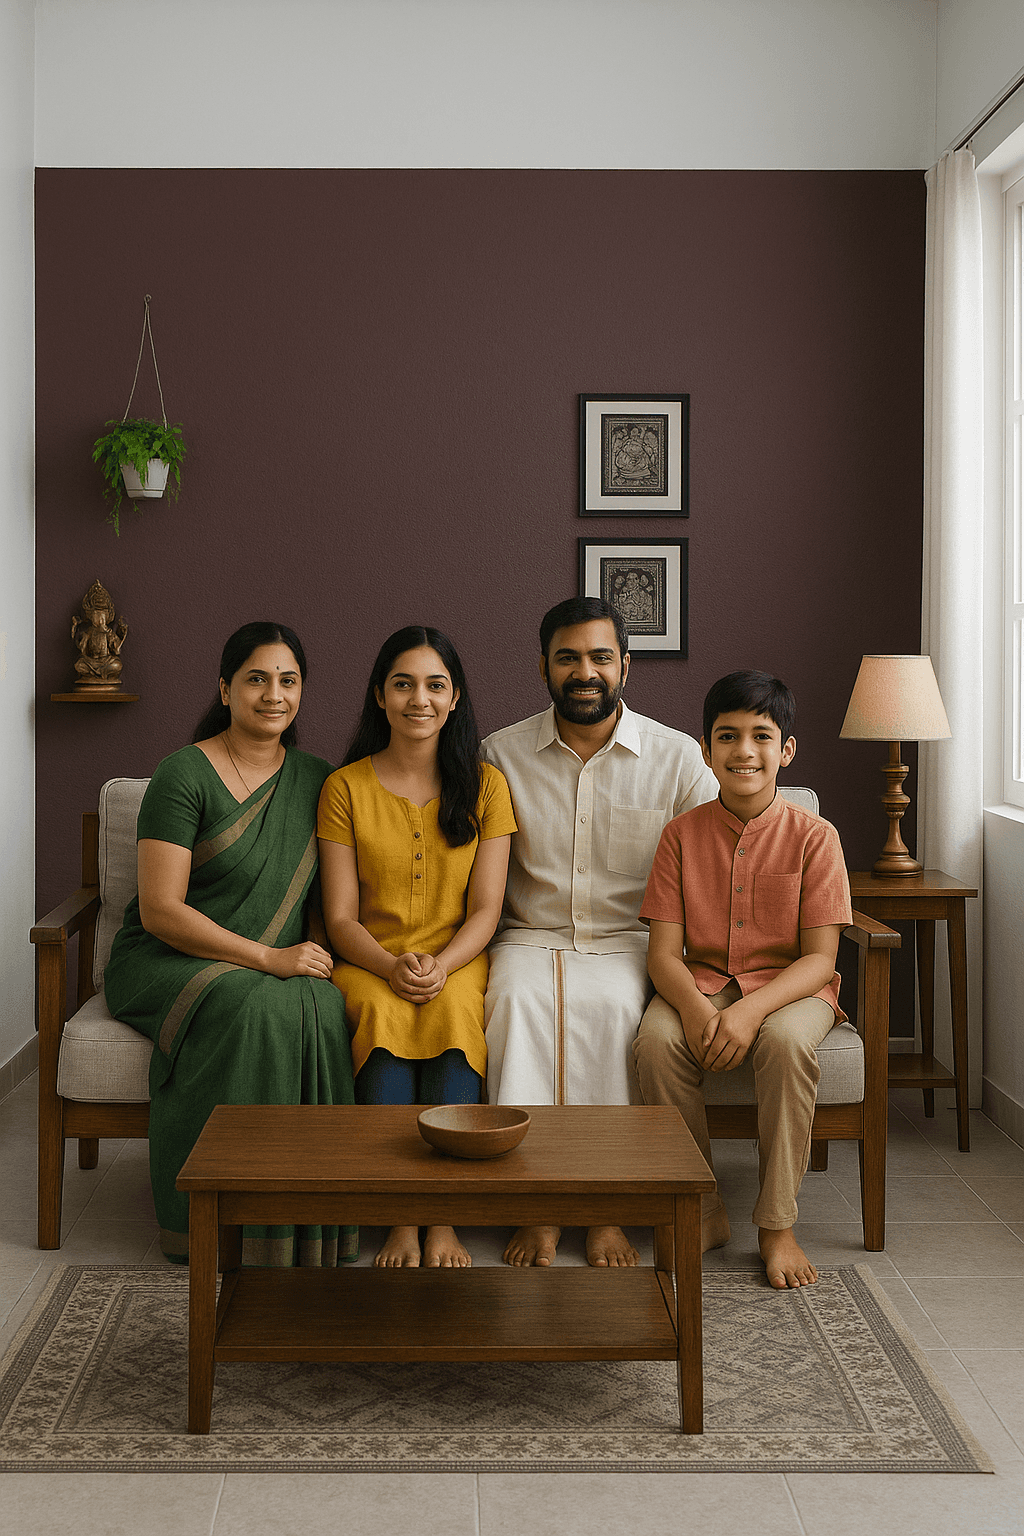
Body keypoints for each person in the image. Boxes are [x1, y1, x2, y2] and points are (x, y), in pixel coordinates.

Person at [104, 622, 357, 1266]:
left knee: (320, 1005)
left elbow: (321, 897)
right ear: (224, 688)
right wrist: (270, 958)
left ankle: (303, 1219)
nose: (273, 694)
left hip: (277, 957)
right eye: (256, 678)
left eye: (288, 680)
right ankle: (215, 1221)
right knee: (256, 1003)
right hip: (169, 957)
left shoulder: (318, 781)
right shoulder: (182, 773)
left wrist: (315, 956)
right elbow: (161, 910)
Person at [481, 597, 718, 1268]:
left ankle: (606, 1205)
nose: (585, 671)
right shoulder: (499, 753)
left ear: (626, 666)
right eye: (568, 658)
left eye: (600, 657)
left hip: (629, 940)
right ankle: (536, 1206)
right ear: (544, 668)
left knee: (614, 1009)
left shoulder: (675, 759)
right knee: (513, 1004)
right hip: (530, 934)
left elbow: (712, 861)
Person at [633, 670, 853, 1290]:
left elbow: (819, 960)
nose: (744, 751)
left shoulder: (816, 838)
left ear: (785, 750)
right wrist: (700, 1011)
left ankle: (778, 1225)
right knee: (655, 1041)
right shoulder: (680, 836)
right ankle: (700, 1208)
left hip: (793, 988)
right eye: (727, 736)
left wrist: (750, 1012)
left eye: (761, 736)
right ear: (705, 750)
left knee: (784, 1043)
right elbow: (664, 956)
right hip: (701, 980)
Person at [318, 625, 516, 1270]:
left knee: (455, 1011)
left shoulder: (486, 786)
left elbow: (487, 909)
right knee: (380, 1013)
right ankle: (402, 1216)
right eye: (403, 684)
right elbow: (340, 916)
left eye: (436, 685)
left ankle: (444, 1218)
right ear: (380, 695)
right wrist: (389, 964)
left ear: (455, 698)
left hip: (457, 957)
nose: (419, 699)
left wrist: (442, 964)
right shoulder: (344, 788)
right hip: (368, 960)